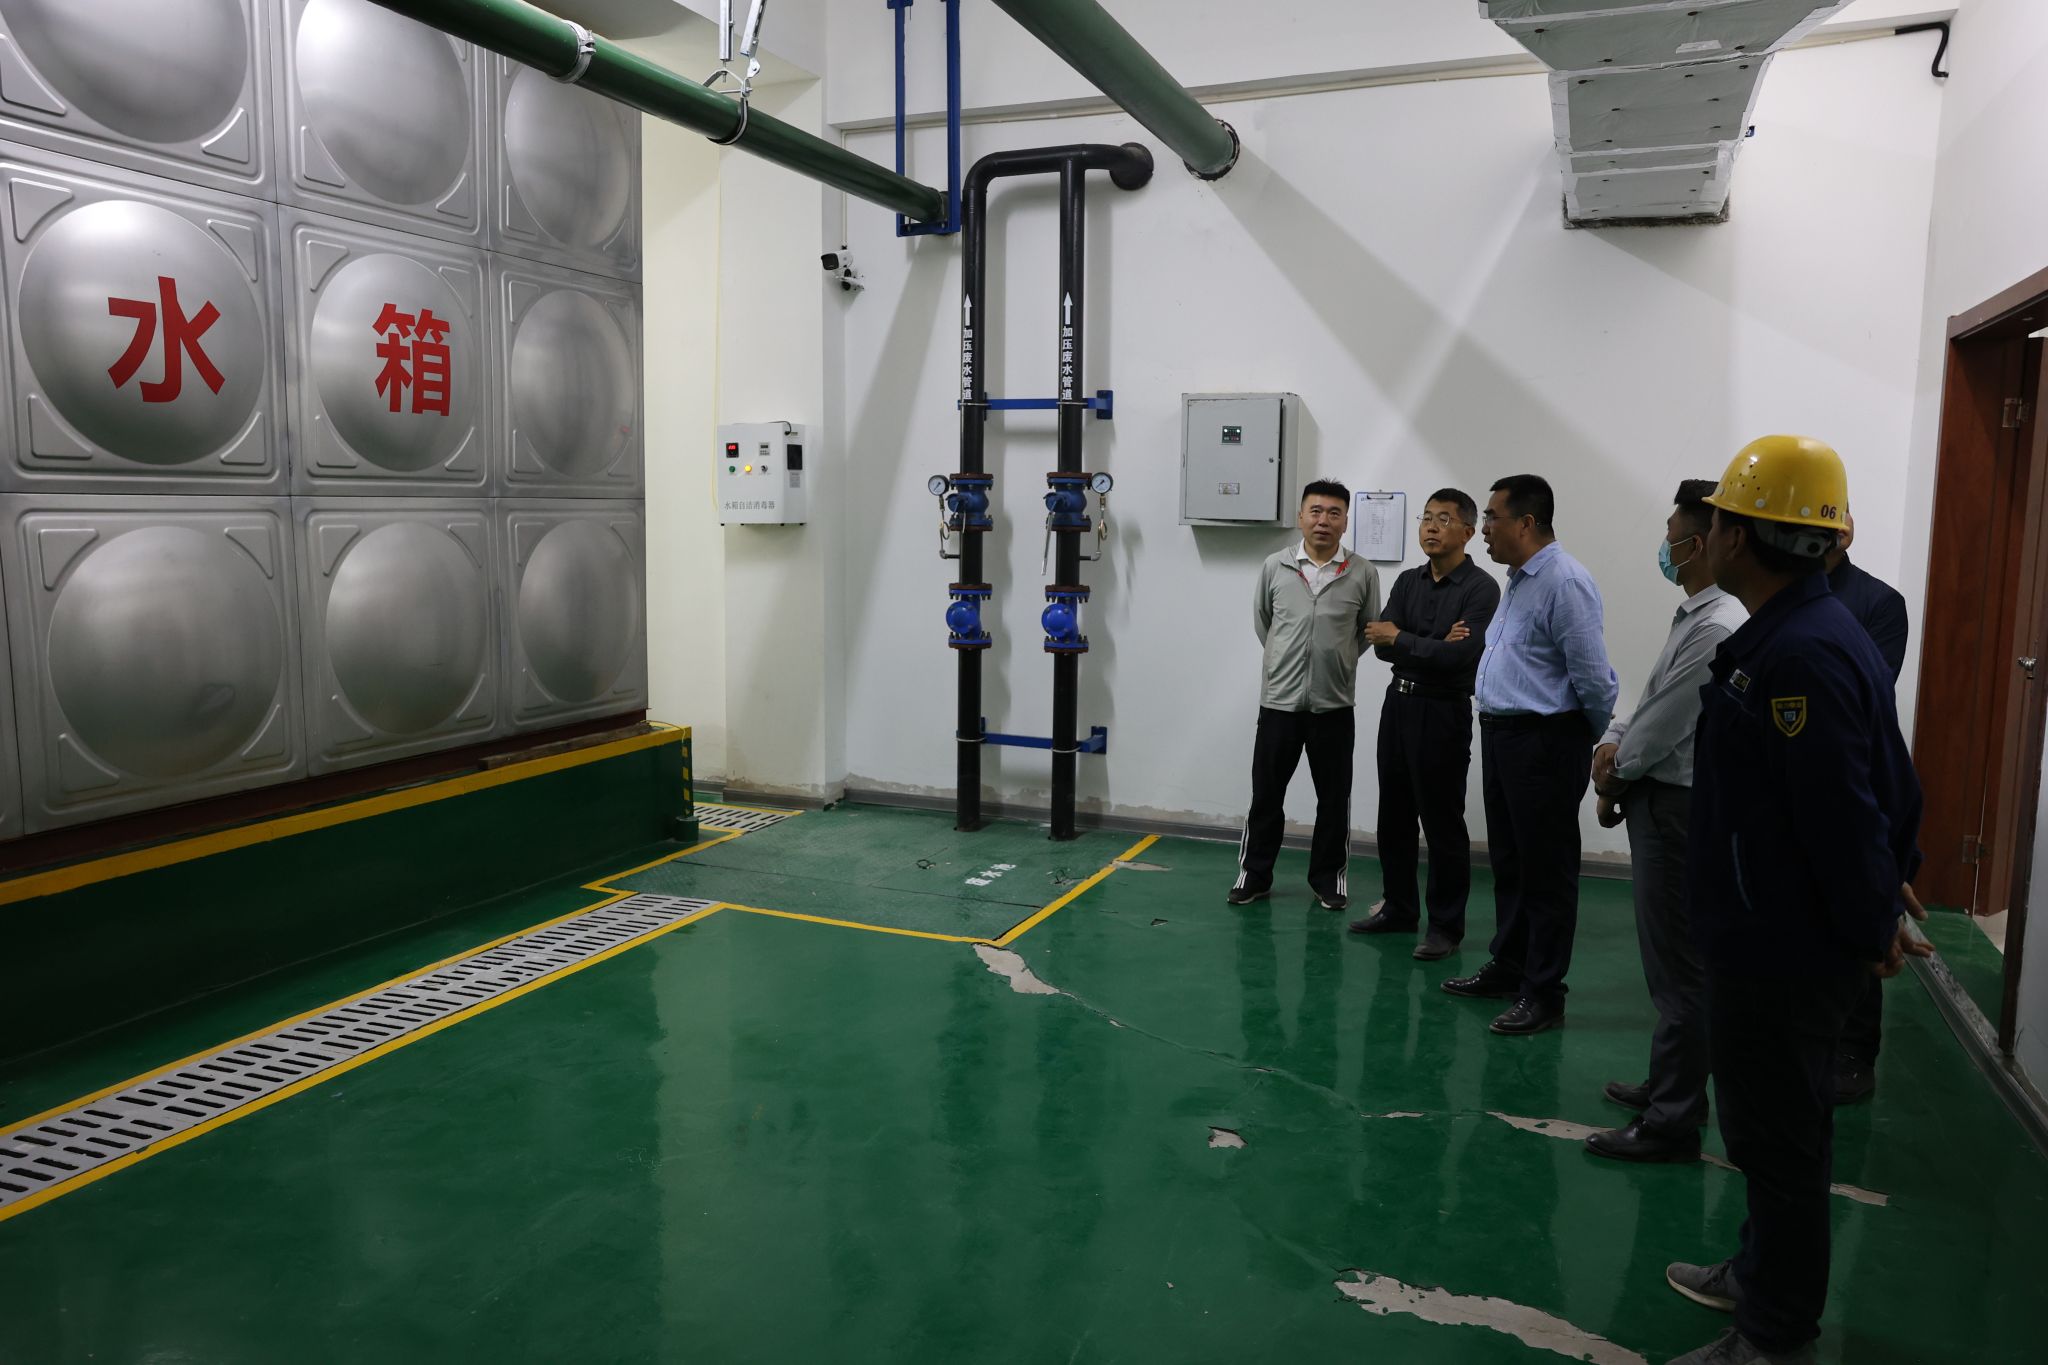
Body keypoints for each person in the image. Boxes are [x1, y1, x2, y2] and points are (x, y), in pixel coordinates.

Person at [1663, 435, 1927, 1365]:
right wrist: (1885, 882)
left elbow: (1841, 809)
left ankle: (1773, 1335)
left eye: (1714, 524)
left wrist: (1871, 918)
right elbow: (1889, 783)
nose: (1701, 538)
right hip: (1770, 931)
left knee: (1780, 1144)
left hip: (1781, 948)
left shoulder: (1802, 651)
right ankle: (1757, 1272)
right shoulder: (1806, 629)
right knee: (1773, 1134)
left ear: (1738, 535)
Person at [1583, 480, 1747, 1163]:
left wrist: (1615, 772)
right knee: (1670, 962)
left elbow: (1666, 724)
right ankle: (1668, 1083)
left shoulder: (1718, 625)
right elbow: (1647, 702)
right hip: (1657, 797)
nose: (1665, 545)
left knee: (1680, 967)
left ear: (1699, 543)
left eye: (1673, 535)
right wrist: (1610, 743)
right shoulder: (1695, 614)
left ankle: (1673, 1119)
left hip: (1676, 807)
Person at [1441, 475, 1618, 1035]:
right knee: (1511, 864)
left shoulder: (1565, 582)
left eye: (1491, 518)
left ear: (1526, 523)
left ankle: (1544, 992)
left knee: (1547, 872)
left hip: (1544, 741)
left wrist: (1579, 739)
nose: (1483, 529)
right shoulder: (1519, 581)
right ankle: (1510, 966)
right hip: (1505, 738)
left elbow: (1594, 680)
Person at [1350, 488, 1500, 960]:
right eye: (1427, 517)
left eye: (1444, 519)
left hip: (1443, 710)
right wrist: (1430, 642)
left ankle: (1445, 927)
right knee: (1393, 816)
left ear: (1468, 531)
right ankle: (1398, 908)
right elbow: (1380, 646)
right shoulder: (1407, 582)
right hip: (1398, 704)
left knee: (1441, 822)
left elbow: (1461, 657)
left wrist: (1404, 638)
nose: (1432, 527)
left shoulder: (1481, 588)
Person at [1230, 480, 1383, 912]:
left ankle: (1329, 880)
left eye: (1334, 513)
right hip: (1279, 703)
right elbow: (1264, 623)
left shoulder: (1362, 572)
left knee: (1333, 800)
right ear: (1301, 517)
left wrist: (1336, 661)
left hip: (1334, 705)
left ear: (1345, 521)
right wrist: (1287, 660)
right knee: (1266, 795)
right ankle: (1254, 875)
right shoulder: (1275, 566)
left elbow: (1366, 631)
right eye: (1315, 511)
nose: (1323, 521)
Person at [1822, 511, 1911, 1105]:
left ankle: (1856, 1050)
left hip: (1853, 773)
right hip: (1793, 775)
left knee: (1855, 909)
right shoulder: (1778, 596)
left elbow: (1870, 688)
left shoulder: (1879, 602)